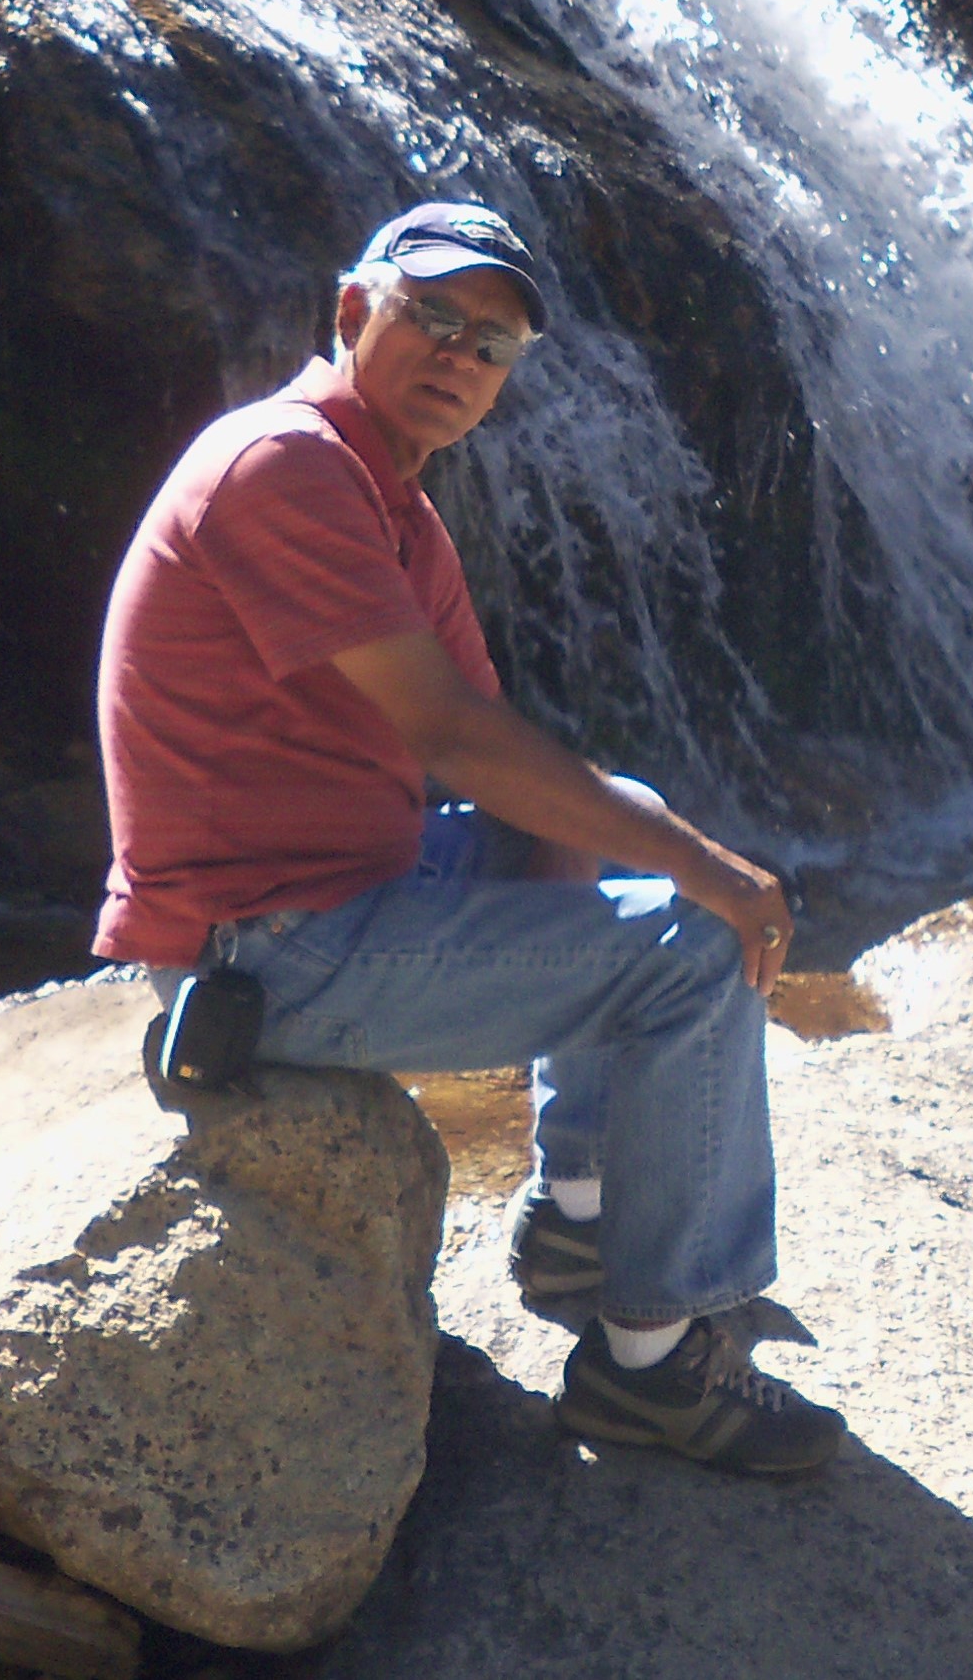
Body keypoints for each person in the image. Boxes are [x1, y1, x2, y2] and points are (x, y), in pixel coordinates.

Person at [92, 201, 844, 1478]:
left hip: (330, 893)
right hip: (260, 953)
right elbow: (446, 734)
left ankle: (581, 1221)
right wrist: (705, 875)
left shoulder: (387, 502)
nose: (457, 356)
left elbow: (498, 758)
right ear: (350, 313)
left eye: (489, 344)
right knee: (686, 936)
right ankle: (649, 1368)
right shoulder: (282, 465)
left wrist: (637, 840)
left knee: (625, 819)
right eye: (430, 317)